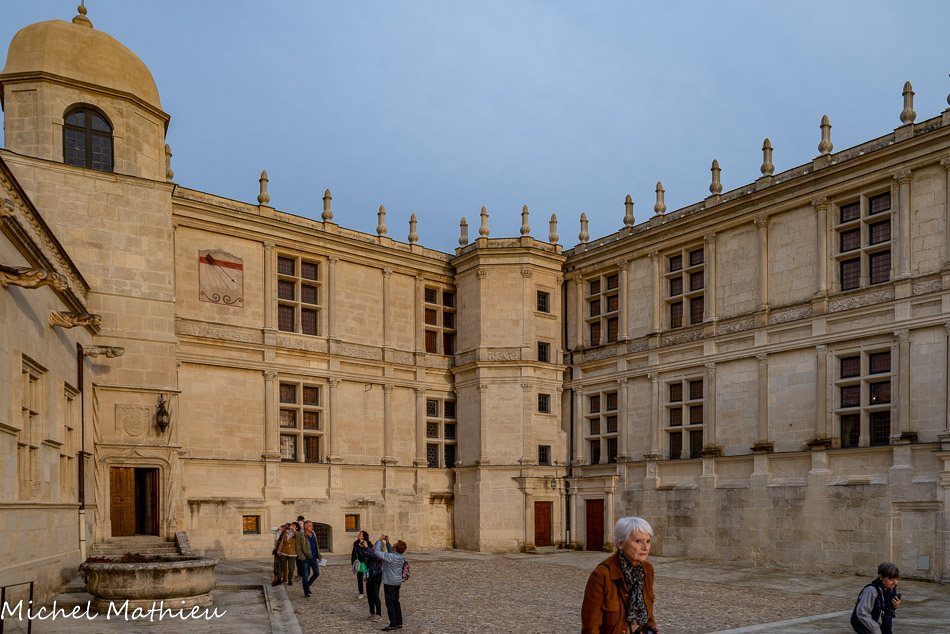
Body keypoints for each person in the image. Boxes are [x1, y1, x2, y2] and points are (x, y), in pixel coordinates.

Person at [581, 516, 658, 634]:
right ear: (620, 543)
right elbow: (591, 626)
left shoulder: (647, 569)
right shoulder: (602, 575)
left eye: (648, 541)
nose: (645, 547)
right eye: (638, 541)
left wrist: (650, 624)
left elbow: (646, 602)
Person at [363, 534, 406, 632]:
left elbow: (377, 552)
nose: (393, 544)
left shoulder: (391, 557)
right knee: (396, 602)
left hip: (390, 582)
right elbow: (391, 552)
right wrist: (388, 543)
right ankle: (399, 622)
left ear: (396, 549)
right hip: (397, 582)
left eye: (394, 544)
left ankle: (393, 624)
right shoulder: (400, 556)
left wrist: (379, 540)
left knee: (390, 603)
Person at [851, 562, 901, 634]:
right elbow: (862, 613)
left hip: (883, 628)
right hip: (867, 630)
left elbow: (884, 610)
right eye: (891, 579)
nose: (895, 582)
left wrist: (894, 606)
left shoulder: (890, 590)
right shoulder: (871, 591)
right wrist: (876, 630)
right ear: (881, 577)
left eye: (896, 579)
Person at [359, 533, 384, 622]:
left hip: (376, 576)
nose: (373, 546)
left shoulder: (380, 554)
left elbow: (374, 556)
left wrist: (367, 547)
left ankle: (379, 614)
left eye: (374, 545)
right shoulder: (371, 552)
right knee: (369, 595)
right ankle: (372, 612)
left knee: (375, 595)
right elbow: (365, 555)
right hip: (369, 575)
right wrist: (362, 548)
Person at [294, 520, 321, 598]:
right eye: (310, 526)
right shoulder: (300, 535)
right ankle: (306, 591)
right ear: (305, 527)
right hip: (305, 559)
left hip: (313, 557)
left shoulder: (313, 534)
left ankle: (308, 585)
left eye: (312, 525)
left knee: (316, 573)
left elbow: (316, 545)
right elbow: (297, 548)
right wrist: (302, 557)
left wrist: (319, 555)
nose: (311, 527)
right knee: (305, 576)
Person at [351, 530, 370, 599]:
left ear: (363, 536)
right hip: (358, 563)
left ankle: (368, 592)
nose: (359, 535)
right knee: (359, 578)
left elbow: (369, 552)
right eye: (359, 534)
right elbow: (353, 553)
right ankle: (361, 593)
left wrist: (363, 547)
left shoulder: (368, 543)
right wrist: (353, 562)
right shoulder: (356, 543)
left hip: (366, 563)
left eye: (360, 534)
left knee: (367, 578)